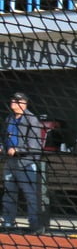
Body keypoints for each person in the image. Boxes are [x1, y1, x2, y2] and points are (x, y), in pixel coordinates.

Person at [1, 92, 44, 233]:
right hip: (10, 162)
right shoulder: (10, 118)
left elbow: (35, 145)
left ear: (24, 103)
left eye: (17, 100)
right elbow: (6, 138)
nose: (13, 102)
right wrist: (3, 147)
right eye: (13, 99)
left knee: (30, 194)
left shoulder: (31, 119)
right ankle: (8, 223)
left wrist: (18, 149)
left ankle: (34, 224)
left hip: (26, 162)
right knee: (9, 192)